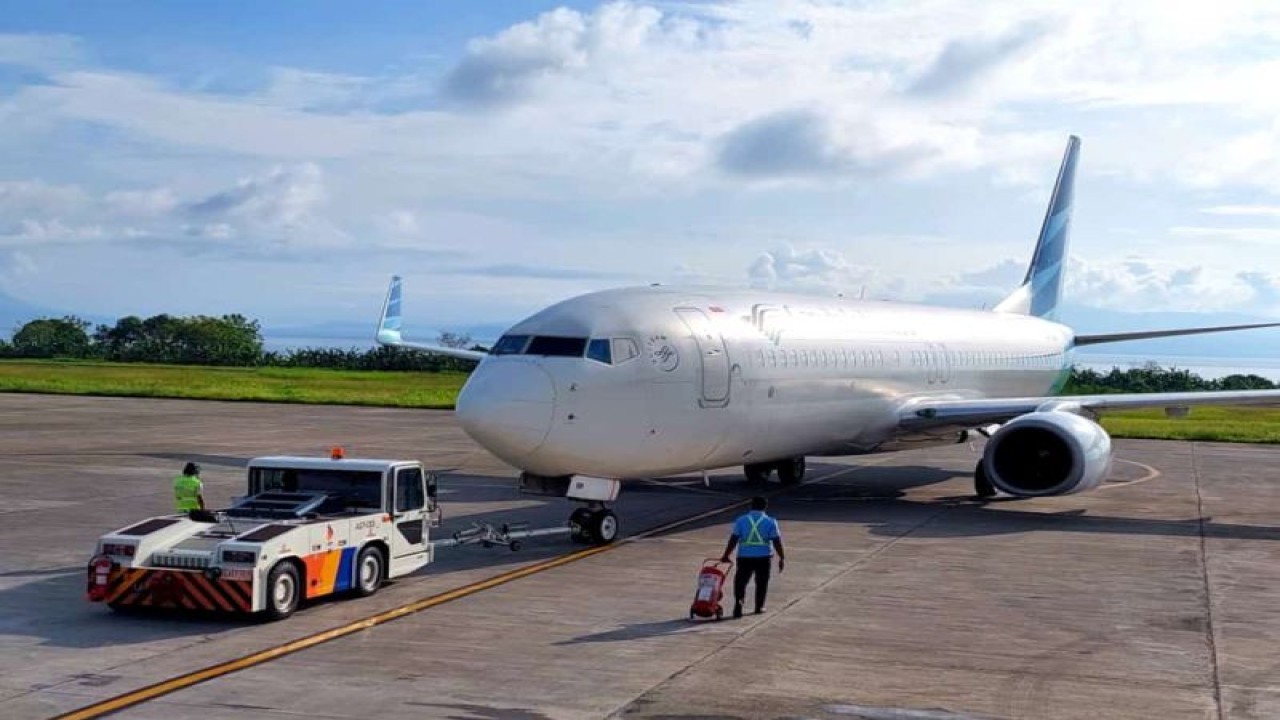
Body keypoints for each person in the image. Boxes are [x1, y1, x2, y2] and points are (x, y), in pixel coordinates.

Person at [720, 495, 785, 618]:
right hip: (764, 556)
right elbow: (776, 541)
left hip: (744, 556)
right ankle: (759, 606)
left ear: (751, 505)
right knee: (761, 582)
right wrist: (782, 557)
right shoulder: (771, 521)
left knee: (741, 581)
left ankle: (738, 604)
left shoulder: (741, 520)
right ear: (765, 507)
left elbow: (733, 539)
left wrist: (726, 555)